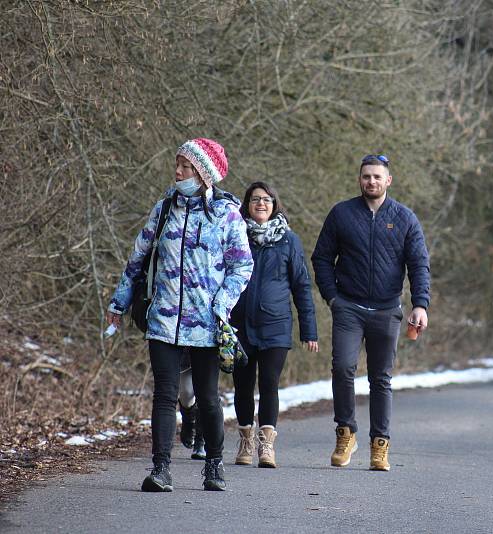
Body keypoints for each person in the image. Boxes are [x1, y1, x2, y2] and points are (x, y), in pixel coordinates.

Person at [106, 138, 253, 492]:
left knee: (207, 397)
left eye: (186, 166)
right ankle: (161, 469)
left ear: (204, 173)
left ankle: (214, 466)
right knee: (164, 395)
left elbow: (242, 266)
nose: (178, 171)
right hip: (163, 321)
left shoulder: (227, 213)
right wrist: (119, 303)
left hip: (206, 324)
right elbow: (137, 258)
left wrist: (222, 305)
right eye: (177, 164)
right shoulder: (164, 209)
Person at [311, 154, 430, 471]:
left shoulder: (405, 219)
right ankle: (345, 432)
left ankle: (380, 444)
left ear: (388, 180)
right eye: (366, 176)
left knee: (380, 379)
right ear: (359, 179)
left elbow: (419, 265)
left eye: (377, 177)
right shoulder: (341, 214)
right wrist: (333, 297)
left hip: (387, 310)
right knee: (342, 367)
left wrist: (420, 304)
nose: (371, 181)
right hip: (348, 307)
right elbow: (321, 258)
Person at [230, 182, 319, 469]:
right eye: (255, 199)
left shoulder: (289, 241)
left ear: (275, 204)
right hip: (240, 324)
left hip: (276, 325)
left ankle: (266, 446)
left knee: (269, 383)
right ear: (247, 204)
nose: (261, 204)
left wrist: (309, 330)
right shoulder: (235, 234)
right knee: (242, 385)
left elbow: (302, 286)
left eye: (266, 199)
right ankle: (246, 441)